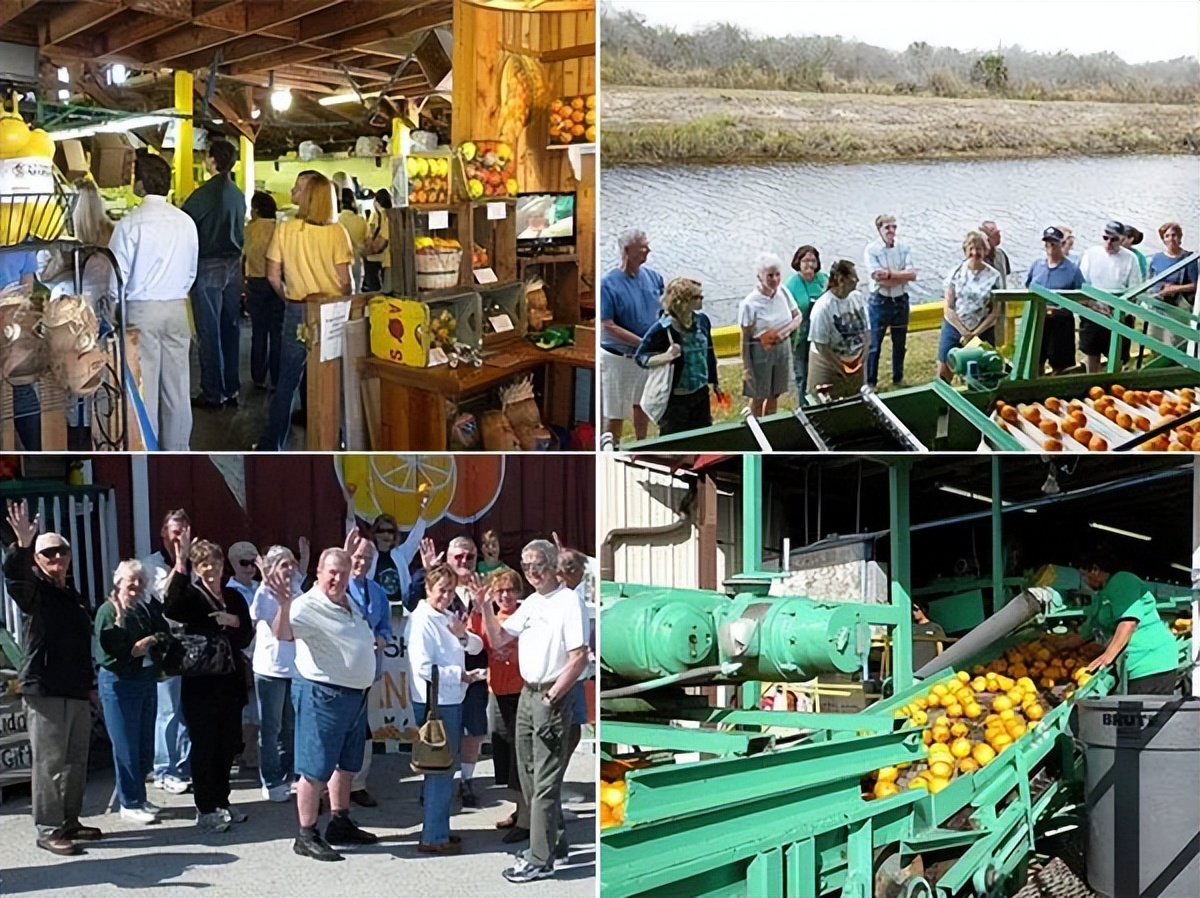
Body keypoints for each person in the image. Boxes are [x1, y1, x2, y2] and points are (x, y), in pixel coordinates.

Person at [473, 539, 589, 883]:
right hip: (528, 693)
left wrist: (552, 697)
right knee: (527, 775)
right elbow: (498, 640)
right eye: (526, 566)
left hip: (550, 695)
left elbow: (579, 656)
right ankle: (555, 843)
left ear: (553, 564)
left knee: (544, 782)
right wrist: (483, 609)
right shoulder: (533, 603)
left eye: (537, 564)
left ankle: (539, 858)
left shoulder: (568, 601)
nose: (532, 571)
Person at [3, 501, 100, 856]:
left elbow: (79, 645)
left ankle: (70, 821)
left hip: (75, 688)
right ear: (38, 560)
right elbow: (15, 577)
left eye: (62, 551)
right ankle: (47, 827)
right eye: (49, 553)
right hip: (44, 688)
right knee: (49, 762)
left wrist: (89, 686)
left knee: (76, 760)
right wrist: (23, 545)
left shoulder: (72, 595)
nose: (57, 558)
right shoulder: (36, 591)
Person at [273, 544, 380, 861]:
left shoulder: (348, 599)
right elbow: (283, 633)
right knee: (315, 768)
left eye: (343, 573)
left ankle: (340, 821)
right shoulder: (305, 605)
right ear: (318, 573)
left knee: (347, 765)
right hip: (323, 694)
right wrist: (283, 603)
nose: (338, 578)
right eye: (332, 572)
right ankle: (306, 834)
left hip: (354, 695)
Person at [163, 531, 253, 833]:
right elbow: (171, 606)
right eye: (203, 565)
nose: (210, 569)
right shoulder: (191, 596)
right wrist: (180, 564)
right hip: (201, 683)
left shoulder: (234, 596)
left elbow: (245, 636)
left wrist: (233, 621)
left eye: (214, 563)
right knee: (204, 744)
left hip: (229, 680)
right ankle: (205, 807)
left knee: (227, 745)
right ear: (197, 568)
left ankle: (223, 800)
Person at [108, 153, 199, 450]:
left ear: (141, 183)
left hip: (141, 311)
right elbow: (190, 272)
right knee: (178, 387)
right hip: (176, 308)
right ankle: (178, 449)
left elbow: (116, 277)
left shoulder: (129, 224)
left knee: (144, 389)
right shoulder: (186, 222)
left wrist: (112, 308)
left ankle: (147, 448)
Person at [258, 172, 353, 451]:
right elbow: (346, 282)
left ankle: (272, 444)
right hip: (332, 313)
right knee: (333, 377)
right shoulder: (338, 233)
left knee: (287, 380)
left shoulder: (286, 229)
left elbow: (273, 276)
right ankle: (336, 439)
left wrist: (287, 296)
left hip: (298, 310)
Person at [409, 562, 486, 854]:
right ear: (428, 588)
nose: (446, 595)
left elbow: (476, 647)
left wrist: (462, 634)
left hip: (451, 699)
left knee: (444, 769)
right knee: (439, 770)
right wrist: (463, 675)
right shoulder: (422, 620)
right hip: (435, 703)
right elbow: (424, 668)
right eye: (441, 589)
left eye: (450, 590)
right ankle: (433, 836)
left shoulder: (446, 617)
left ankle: (438, 829)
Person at [94, 559, 171, 825]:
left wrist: (152, 641)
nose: (137, 586)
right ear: (119, 583)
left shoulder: (144, 609)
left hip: (145, 679)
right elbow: (106, 652)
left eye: (141, 581)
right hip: (120, 682)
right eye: (131, 581)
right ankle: (128, 802)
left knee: (143, 743)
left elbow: (164, 632)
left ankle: (139, 795)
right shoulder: (108, 611)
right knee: (125, 744)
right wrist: (133, 651)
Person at [183, 139, 246, 410]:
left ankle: (212, 392)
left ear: (212, 160)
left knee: (209, 331)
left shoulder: (205, 194)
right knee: (230, 327)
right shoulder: (237, 193)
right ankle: (231, 388)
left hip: (208, 264)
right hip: (234, 265)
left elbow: (184, 222)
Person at [1078, 545, 1180, 695]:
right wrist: (1056, 644)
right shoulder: (1102, 593)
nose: (1085, 580)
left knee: (1144, 715)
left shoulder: (1123, 580)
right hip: (1133, 664)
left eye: (1085, 575)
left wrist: (1108, 656)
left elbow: (1129, 622)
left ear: (1095, 569)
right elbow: (1088, 629)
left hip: (1150, 662)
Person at [475, 568, 528, 843]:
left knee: (522, 755)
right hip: (497, 692)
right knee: (504, 752)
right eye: (500, 591)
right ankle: (518, 810)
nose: (505, 596)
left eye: (510, 590)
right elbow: (474, 643)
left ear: (519, 592)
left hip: (521, 693)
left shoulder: (526, 616)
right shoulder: (489, 617)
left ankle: (526, 816)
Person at [634, 276, 723, 435]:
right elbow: (640, 357)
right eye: (697, 297)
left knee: (703, 437)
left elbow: (709, 352)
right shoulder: (662, 328)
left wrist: (715, 382)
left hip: (700, 394)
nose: (702, 299)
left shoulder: (703, 321)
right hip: (675, 399)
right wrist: (667, 357)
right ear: (683, 301)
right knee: (674, 442)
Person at [600, 229, 664, 445]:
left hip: (644, 357)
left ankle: (642, 443)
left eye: (648, 245)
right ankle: (611, 446)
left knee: (642, 404)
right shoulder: (608, 283)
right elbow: (608, 325)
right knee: (615, 411)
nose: (648, 250)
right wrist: (643, 342)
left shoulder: (654, 277)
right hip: (618, 358)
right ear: (627, 251)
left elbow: (663, 311)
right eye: (643, 247)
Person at [250, 545, 300, 803]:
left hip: (295, 670)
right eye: (283, 565)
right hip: (270, 670)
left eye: (292, 563)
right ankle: (270, 779)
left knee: (290, 728)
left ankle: (288, 776)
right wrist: (285, 603)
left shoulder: (297, 590)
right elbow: (282, 632)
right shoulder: (264, 594)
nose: (290, 569)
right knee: (271, 728)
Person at [345, 536, 392, 808]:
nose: (362, 563)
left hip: (369, 668)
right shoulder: (339, 590)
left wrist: (383, 636)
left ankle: (358, 784)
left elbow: (385, 623)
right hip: (342, 669)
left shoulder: (377, 591)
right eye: (358, 557)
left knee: (363, 726)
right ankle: (332, 785)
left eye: (368, 559)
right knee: (343, 726)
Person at [739, 253, 800, 417]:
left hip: (782, 347)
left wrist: (785, 332)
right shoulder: (750, 302)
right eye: (770, 276)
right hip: (761, 350)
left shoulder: (783, 292)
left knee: (775, 392)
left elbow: (797, 316)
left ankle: (770, 423)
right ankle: (754, 426)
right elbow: (745, 337)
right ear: (759, 277)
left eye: (777, 274)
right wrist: (746, 366)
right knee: (759, 395)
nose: (775, 279)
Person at [937, 231, 1003, 383]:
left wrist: (975, 334)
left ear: (985, 250)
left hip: (983, 329)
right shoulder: (955, 273)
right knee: (944, 369)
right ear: (965, 250)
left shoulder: (994, 276)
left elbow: (995, 312)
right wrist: (964, 332)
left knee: (982, 372)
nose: (975, 253)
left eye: (979, 249)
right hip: (955, 327)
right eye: (971, 249)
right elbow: (948, 307)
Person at [863, 214, 917, 389]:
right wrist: (901, 276)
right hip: (881, 301)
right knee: (874, 345)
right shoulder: (871, 250)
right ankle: (871, 382)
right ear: (879, 229)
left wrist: (891, 274)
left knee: (900, 342)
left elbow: (913, 274)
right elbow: (879, 278)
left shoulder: (905, 247)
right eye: (887, 227)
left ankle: (898, 378)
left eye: (894, 227)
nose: (891, 231)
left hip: (900, 300)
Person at [1078, 221, 1139, 373]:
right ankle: (1091, 384)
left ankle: (1114, 385)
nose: (1109, 243)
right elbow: (1082, 283)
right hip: (1093, 310)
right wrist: (1093, 305)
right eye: (1105, 238)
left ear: (1122, 239)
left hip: (1118, 312)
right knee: (1092, 353)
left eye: (1114, 239)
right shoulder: (1091, 254)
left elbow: (1135, 289)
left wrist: (1118, 308)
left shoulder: (1130, 258)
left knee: (1117, 355)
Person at [806, 260, 869, 400]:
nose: (857, 280)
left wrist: (863, 355)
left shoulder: (857, 298)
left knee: (855, 401)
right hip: (828, 365)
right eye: (853, 277)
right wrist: (840, 367)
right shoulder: (823, 307)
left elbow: (866, 329)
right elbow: (820, 345)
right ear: (841, 280)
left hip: (855, 361)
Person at [1026, 226, 1084, 375]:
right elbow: (1028, 287)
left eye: (1054, 243)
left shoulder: (1072, 270)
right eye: (1047, 243)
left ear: (1061, 244)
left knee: (1061, 365)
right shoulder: (1037, 265)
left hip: (1061, 323)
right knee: (1035, 360)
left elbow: (1081, 297)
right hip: (1039, 320)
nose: (1050, 247)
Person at [0, 249, 42, 450]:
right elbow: (28, 288)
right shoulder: (23, 241)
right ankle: (33, 450)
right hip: (15, 316)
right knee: (23, 387)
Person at [226, 541, 261, 771]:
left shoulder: (263, 587)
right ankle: (241, 753)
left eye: (253, 563)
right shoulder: (229, 592)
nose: (249, 568)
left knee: (259, 708)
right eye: (244, 563)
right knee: (242, 708)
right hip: (240, 654)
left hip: (262, 653)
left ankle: (254, 753)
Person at [244, 191, 282, 392]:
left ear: (256, 210)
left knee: (258, 332)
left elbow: (243, 256)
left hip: (256, 283)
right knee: (277, 332)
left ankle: (258, 377)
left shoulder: (249, 230)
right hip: (277, 283)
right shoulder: (280, 229)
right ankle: (276, 378)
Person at [784, 245, 828, 406]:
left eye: (813, 261)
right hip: (801, 337)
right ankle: (804, 406)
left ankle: (823, 402)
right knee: (802, 373)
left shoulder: (824, 279)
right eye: (805, 261)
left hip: (822, 335)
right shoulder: (791, 285)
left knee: (823, 371)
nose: (809, 265)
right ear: (798, 262)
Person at [366, 500, 428, 607]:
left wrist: (425, 508)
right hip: (376, 609)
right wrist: (350, 503)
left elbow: (415, 538)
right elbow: (351, 531)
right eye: (381, 530)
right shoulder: (367, 555)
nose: (386, 534)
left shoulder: (400, 554)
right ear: (375, 533)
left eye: (390, 531)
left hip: (399, 611)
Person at [1148, 222, 1197, 345]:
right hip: (1158, 303)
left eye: (1174, 235)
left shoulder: (1189, 258)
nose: (1171, 239)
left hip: (1178, 305)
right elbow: (1149, 281)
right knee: (1154, 336)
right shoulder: (1156, 258)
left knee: (1174, 339)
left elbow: (1196, 285)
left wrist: (1174, 289)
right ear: (1163, 239)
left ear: (1180, 237)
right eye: (1167, 236)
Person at [338, 188, 368, 293]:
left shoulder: (336, 221)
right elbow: (366, 241)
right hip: (357, 261)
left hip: (340, 262)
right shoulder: (360, 220)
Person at [362, 189, 392, 293]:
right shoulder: (389, 215)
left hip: (382, 260)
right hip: (384, 260)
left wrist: (368, 250)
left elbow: (381, 240)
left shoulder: (381, 216)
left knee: (381, 293)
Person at [911, 602, 946, 671]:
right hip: (913, 665)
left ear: (923, 610)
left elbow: (939, 645)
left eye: (916, 609)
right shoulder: (911, 627)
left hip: (930, 665)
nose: (913, 612)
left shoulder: (935, 627)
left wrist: (940, 662)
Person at [980, 220, 1011, 289]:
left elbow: (1007, 276)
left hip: (1002, 296)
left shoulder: (1001, 255)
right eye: (995, 234)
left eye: (998, 233)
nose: (999, 236)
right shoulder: (979, 259)